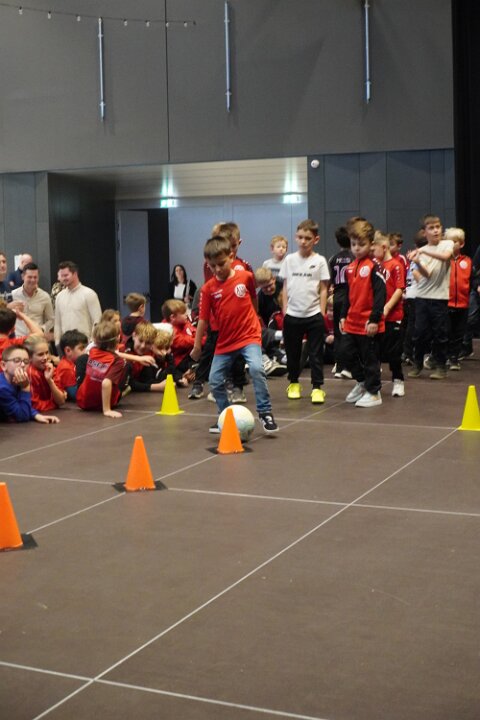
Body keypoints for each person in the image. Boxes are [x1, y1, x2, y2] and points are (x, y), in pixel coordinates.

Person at [191, 235, 278, 434]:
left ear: (231, 257)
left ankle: (265, 411)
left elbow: (253, 299)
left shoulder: (245, 277)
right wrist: (196, 346)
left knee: (256, 368)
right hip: (225, 341)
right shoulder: (208, 289)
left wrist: (254, 318)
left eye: (221, 263)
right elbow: (203, 320)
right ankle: (225, 415)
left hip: (248, 336)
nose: (217, 269)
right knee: (214, 380)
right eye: (212, 266)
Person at [189, 221, 252, 402]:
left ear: (238, 244)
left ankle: (236, 386)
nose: (230, 250)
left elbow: (249, 294)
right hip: (216, 321)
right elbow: (211, 288)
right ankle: (199, 382)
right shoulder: (211, 264)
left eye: (233, 246)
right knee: (210, 352)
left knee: (237, 357)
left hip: (237, 324)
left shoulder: (243, 266)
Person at [278, 219, 330, 404]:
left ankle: (317, 388)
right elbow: (285, 286)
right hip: (292, 315)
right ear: (295, 237)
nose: (303, 241)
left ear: (316, 239)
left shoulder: (320, 261)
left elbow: (323, 288)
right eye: (300, 237)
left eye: (307, 238)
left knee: (315, 354)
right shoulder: (289, 260)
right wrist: (285, 310)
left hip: (314, 314)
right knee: (293, 353)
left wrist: (322, 312)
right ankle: (293, 383)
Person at [340, 219, 386, 408]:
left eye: (361, 244)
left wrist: (374, 319)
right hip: (352, 322)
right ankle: (362, 382)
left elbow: (380, 295)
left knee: (370, 359)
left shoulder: (375, 267)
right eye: (353, 244)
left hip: (369, 323)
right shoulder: (351, 268)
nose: (357, 248)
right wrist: (343, 316)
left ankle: (374, 392)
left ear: (371, 245)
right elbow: (348, 295)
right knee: (344, 353)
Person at [406, 215, 454, 380]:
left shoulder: (447, 244)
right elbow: (427, 274)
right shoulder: (422, 252)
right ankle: (417, 364)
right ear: (424, 232)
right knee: (419, 333)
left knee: (440, 333)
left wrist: (423, 251)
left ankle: (441, 366)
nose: (435, 231)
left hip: (439, 298)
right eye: (431, 228)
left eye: (438, 227)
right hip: (422, 297)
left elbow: (446, 257)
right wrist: (418, 261)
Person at [373, 231, 406, 397]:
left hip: (393, 316)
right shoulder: (374, 266)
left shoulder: (396, 265)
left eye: (374, 249)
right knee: (374, 351)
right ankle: (373, 383)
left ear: (384, 247)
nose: (372, 253)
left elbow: (399, 289)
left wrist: (386, 308)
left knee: (394, 353)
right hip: (377, 316)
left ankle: (398, 380)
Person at [76, 320, 127, 418]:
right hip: (102, 404)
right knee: (126, 366)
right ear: (118, 339)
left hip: (83, 401)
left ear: (95, 341)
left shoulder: (92, 351)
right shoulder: (118, 361)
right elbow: (106, 383)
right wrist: (107, 410)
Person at [0, 344, 59, 423]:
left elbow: (20, 403)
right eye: (17, 360)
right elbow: (22, 416)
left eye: (26, 361)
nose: (23, 365)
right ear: (3, 365)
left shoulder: (18, 380)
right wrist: (25, 388)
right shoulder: (2, 388)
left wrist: (36, 415)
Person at [54, 261, 102, 350]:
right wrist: (57, 343)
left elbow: (97, 321)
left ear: (75, 274)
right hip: (65, 346)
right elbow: (57, 323)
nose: (63, 278)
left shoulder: (89, 294)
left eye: (66, 275)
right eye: (62, 276)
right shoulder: (59, 297)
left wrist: (92, 344)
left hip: (85, 345)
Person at [328, 225, 354, 378]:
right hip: (350, 297)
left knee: (338, 332)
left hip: (337, 297)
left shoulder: (333, 258)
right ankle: (348, 366)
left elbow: (331, 280)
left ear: (337, 241)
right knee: (349, 332)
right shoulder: (354, 258)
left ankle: (338, 366)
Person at [445, 228, 471, 370]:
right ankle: (443, 357)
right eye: (448, 241)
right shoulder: (443, 261)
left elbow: (473, 279)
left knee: (458, 333)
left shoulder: (467, 261)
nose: (451, 244)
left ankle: (454, 358)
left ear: (461, 244)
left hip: (462, 303)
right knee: (446, 332)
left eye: (454, 241)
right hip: (446, 303)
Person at [11, 262, 54, 339]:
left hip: (36, 339)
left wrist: (42, 329)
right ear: (23, 276)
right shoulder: (13, 295)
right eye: (29, 277)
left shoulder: (45, 297)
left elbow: (51, 319)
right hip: (17, 339)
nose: (33, 280)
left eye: (35, 277)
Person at [24, 335, 66, 411]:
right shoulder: (30, 373)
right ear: (29, 357)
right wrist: (54, 403)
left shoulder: (50, 368)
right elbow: (35, 405)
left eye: (47, 353)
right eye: (40, 354)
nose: (45, 357)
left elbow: (61, 400)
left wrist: (49, 380)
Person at [161, 298, 197, 373]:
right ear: (172, 317)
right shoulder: (167, 330)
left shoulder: (183, 323)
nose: (187, 314)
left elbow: (193, 331)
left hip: (187, 357)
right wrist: (200, 339)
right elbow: (184, 343)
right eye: (183, 313)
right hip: (177, 362)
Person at [55, 330, 88, 400]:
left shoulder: (72, 363)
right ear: (68, 350)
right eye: (81, 348)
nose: (85, 351)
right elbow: (75, 394)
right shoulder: (66, 368)